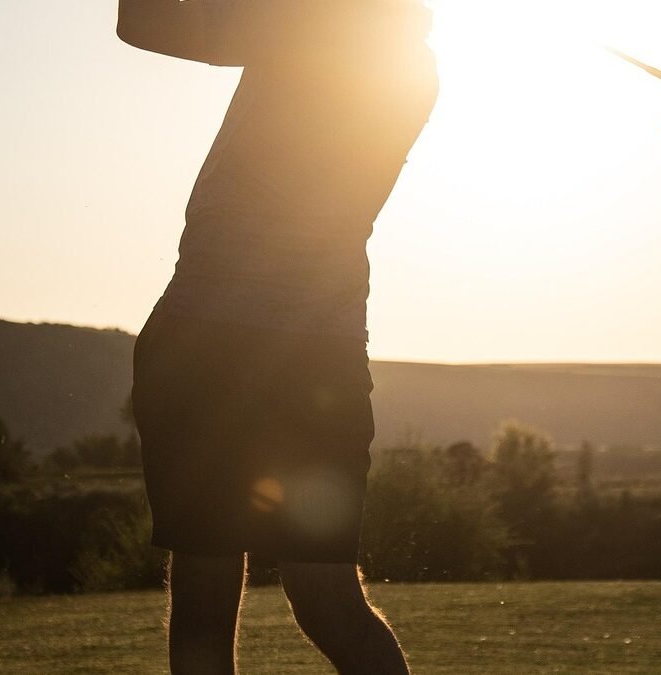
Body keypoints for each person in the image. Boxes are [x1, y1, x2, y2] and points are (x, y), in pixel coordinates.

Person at [118, 0, 438, 672]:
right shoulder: (414, 69)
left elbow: (141, 21)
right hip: (320, 357)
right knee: (328, 601)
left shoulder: (306, 27)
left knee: (205, 598)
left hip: (210, 340)